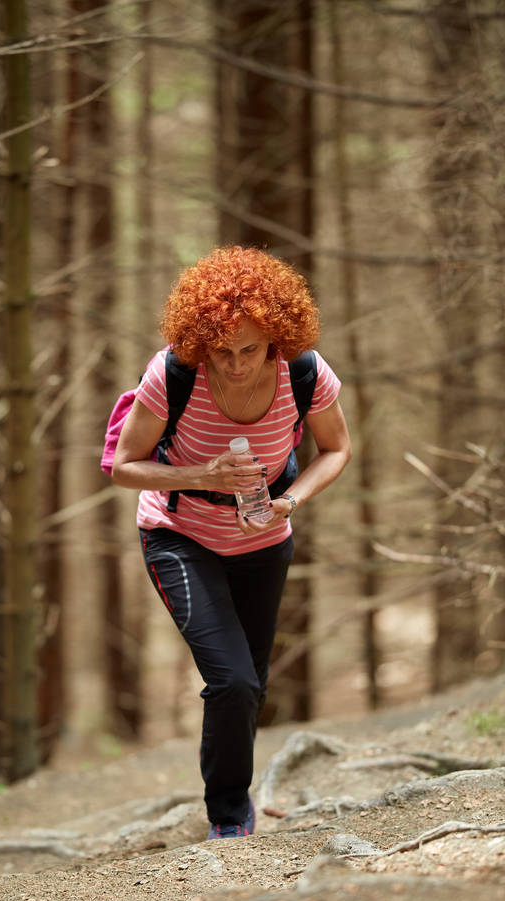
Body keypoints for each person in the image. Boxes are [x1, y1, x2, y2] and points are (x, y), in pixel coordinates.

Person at [112, 245, 351, 839]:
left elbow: (338, 449)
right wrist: (201, 476)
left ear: (276, 339)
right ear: (201, 344)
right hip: (179, 535)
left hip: (265, 539)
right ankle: (229, 818)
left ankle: (233, 801)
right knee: (233, 680)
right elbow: (123, 465)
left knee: (253, 682)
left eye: (252, 349)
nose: (238, 364)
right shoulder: (173, 374)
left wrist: (290, 503)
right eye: (223, 351)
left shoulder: (303, 372)